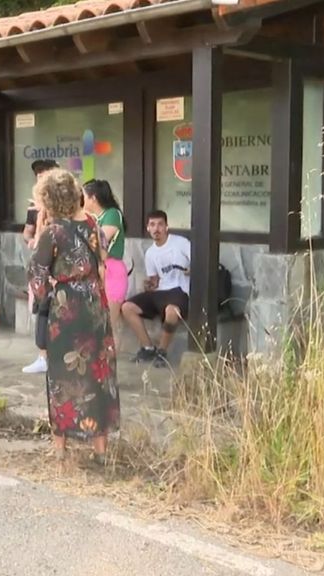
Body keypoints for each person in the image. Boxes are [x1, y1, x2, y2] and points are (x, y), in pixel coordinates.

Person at [29, 168, 120, 464]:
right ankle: (101, 450)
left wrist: (49, 293)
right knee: (98, 373)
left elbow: (37, 276)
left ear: (49, 199)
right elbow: (104, 260)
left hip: (66, 309)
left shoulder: (53, 232)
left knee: (62, 375)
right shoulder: (93, 225)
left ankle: (60, 448)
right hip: (94, 305)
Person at [121, 210, 191, 368]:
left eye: (160, 224)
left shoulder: (181, 243)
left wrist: (190, 269)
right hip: (160, 292)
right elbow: (155, 280)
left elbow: (198, 261)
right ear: (147, 228)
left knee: (172, 311)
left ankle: (162, 352)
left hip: (180, 290)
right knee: (127, 307)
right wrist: (150, 284)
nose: (156, 229)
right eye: (152, 225)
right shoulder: (150, 253)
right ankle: (148, 347)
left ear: (167, 226)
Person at [22, 159, 59, 374]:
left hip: (58, 267)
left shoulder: (64, 207)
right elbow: (28, 232)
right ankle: (43, 356)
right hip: (41, 265)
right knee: (41, 308)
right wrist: (32, 240)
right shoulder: (34, 208)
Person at [83, 179, 127, 342]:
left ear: (93, 198)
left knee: (108, 323)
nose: (82, 200)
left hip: (112, 271)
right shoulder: (96, 217)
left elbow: (99, 241)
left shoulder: (112, 214)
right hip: (98, 272)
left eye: (84, 196)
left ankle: (109, 363)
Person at [23, 160, 58, 247]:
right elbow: (28, 230)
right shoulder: (34, 205)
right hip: (42, 254)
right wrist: (31, 241)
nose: (39, 180)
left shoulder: (64, 202)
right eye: (38, 176)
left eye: (43, 177)